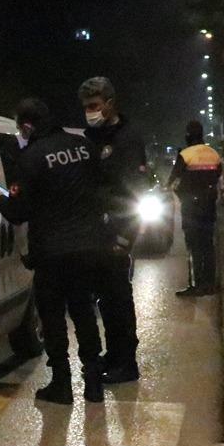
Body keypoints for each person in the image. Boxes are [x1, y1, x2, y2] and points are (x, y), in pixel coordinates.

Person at [0, 98, 104, 404]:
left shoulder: (31, 158)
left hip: (52, 252)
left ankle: (62, 384)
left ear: (28, 125)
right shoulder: (82, 147)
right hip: (87, 246)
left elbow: (18, 211)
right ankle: (94, 381)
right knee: (83, 312)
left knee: (53, 317)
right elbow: (101, 186)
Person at [78, 76, 149, 385]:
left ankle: (127, 362)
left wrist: (126, 237)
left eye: (94, 106)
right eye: (86, 107)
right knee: (105, 300)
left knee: (119, 299)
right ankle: (114, 353)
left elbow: (137, 192)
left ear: (109, 104)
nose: (90, 112)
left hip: (118, 232)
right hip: (95, 233)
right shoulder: (89, 139)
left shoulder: (129, 138)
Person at [167, 120, 223, 296]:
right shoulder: (213, 154)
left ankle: (196, 285)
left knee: (193, 246)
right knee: (208, 245)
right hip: (209, 207)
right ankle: (210, 284)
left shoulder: (185, 155)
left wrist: (180, 194)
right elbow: (218, 174)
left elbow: (172, 181)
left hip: (191, 207)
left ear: (188, 135)